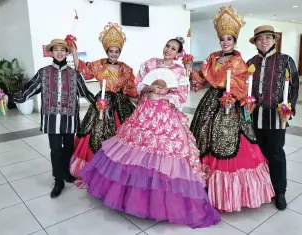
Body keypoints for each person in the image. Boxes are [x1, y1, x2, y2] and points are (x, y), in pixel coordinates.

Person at [79, 37, 221, 228]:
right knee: (135, 151)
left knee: (164, 155)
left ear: (179, 54)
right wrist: (149, 88)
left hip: (165, 114)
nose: (168, 50)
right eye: (167, 46)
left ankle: (156, 202)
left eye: (173, 49)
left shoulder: (179, 71)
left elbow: (181, 96)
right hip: (145, 111)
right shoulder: (150, 63)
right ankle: (132, 197)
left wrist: (163, 94)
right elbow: (138, 86)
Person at [187, 6, 274, 212]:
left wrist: (233, 96)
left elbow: (243, 85)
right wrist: (191, 72)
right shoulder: (212, 58)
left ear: (235, 41)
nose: (225, 43)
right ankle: (203, 185)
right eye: (222, 39)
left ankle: (230, 194)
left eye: (229, 39)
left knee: (231, 143)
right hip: (210, 102)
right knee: (203, 138)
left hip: (230, 103)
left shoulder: (238, 61)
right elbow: (201, 81)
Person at [12, 39, 96, 198]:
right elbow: (30, 89)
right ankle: (59, 180)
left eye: (62, 50)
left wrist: (99, 102)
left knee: (69, 147)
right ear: (51, 53)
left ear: (67, 53)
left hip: (69, 119)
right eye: (56, 50)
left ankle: (64, 171)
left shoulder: (74, 74)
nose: (59, 53)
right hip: (52, 120)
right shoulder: (43, 73)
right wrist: (12, 96)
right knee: (56, 149)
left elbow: (84, 92)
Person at [69, 22, 138, 187]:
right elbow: (82, 69)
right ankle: (96, 167)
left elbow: (131, 90)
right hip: (102, 103)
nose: (114, 54)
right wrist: (73, 50)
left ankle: (119, 169)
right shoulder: (98, 64)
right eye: (111, 51)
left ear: (120, 52)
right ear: (107, 51)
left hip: (121, 105)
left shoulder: (126, 69)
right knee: (96, 133)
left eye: (117, 51)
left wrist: (142, 103)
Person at [247, 25, 299, 210]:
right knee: (257, 155)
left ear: (274, 40)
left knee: (276, 153)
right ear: (256, 43)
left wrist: (288, 109)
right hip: (254, 117)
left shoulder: (285, 61)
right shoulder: (250, 62)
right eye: (260, 38)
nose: (264, 41)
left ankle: (280, 191)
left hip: (276, 117)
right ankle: (261, 188)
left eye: (268, 37)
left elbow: (293, 87)